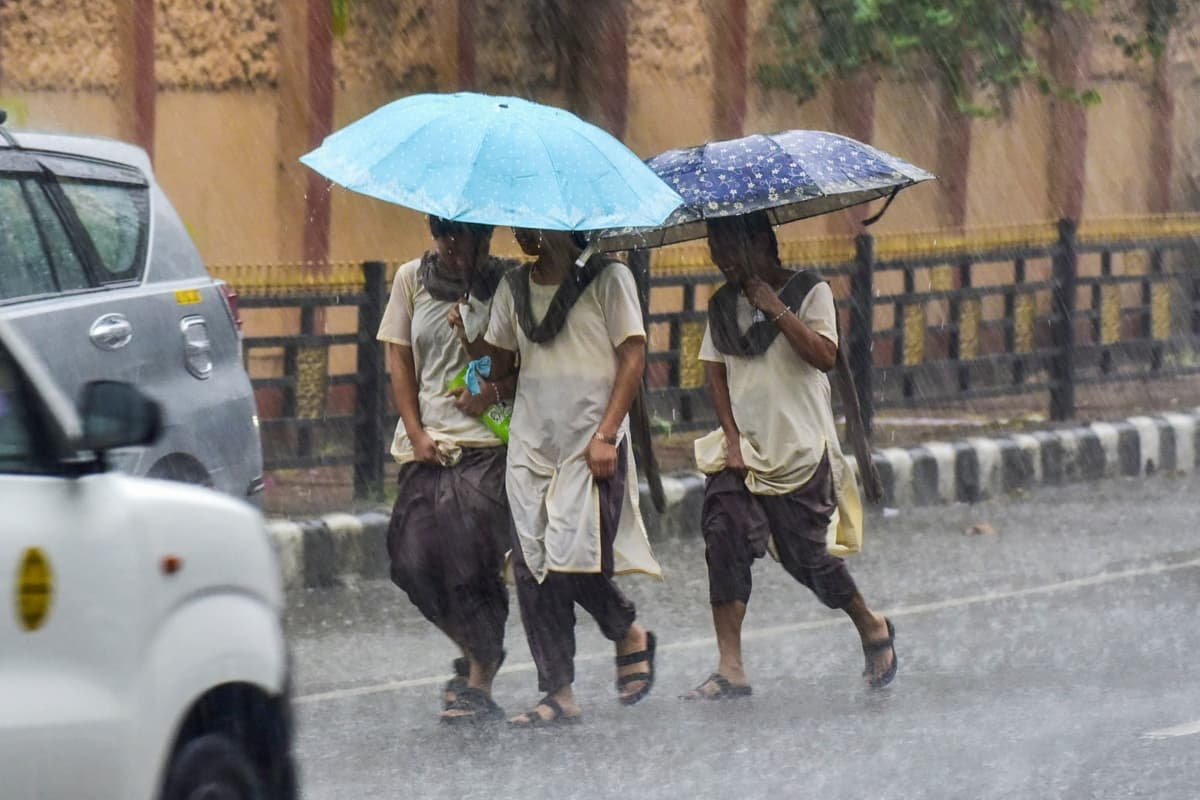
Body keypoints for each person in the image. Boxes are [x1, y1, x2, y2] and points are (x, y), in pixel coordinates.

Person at [682, 211, 897, 701]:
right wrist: (731, 438)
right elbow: (715, 372)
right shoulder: (720, 306)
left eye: (727, 248)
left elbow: (824, 356)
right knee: (723, 534)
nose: (719, 260)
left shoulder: (810, 292)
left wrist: (775, 307)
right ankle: (730, 667)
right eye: (713, 249)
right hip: (744, 451)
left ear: (761, 243)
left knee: (807, 560)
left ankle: (869, 622)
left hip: (799, 449)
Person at [484, 227, 661, 726]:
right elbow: (502, 363)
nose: (520, 232)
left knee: (570, 561)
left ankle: (625, 629)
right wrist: (469, 332)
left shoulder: (609, 277)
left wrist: (606, 434)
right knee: (532, 567)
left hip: (590, 447)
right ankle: (558, 692)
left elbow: (632, 356)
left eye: (530, 221)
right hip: (531, 445)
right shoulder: (512, 287)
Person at [377, 216, 517, 724]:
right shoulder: (411, 279)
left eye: (467, 236)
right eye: (446, 236)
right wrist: (416, 433)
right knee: (409, 559)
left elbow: (521, 363)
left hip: (487, 446)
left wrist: (491, 390)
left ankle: (478, 679)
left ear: (486, 237)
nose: (456, 247)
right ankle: (480, 647)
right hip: (428, 445)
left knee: (469, 557)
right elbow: (399, 361)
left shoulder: (507, 283)